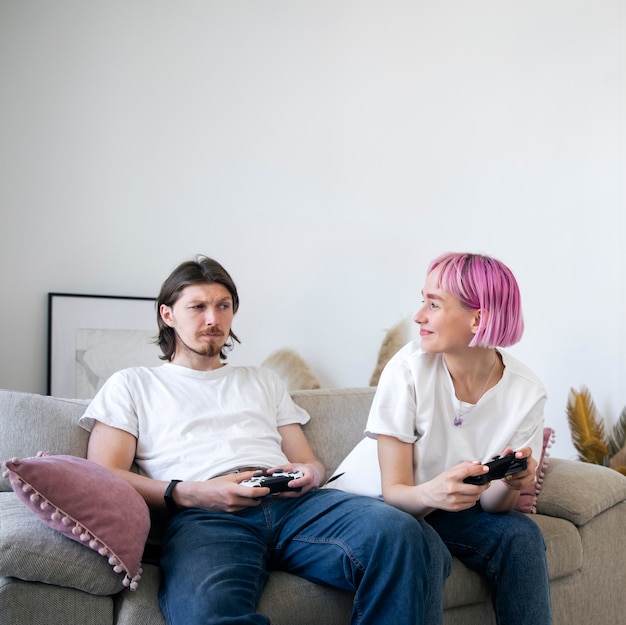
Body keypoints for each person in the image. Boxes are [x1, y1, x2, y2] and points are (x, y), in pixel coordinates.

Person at [79, 254, 450, 625]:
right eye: (198, 307)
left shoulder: (263, 380)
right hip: (206, 516)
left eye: (223, 306)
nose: (213, 319)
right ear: (167, 315)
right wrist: (190, 492)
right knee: (208, 613)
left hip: (293, 505)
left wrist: (309, 474)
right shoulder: (132, 384)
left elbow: (309, 461)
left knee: (400, 532)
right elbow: (105, 474)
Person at [327, 252, 552, 625]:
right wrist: (434, 493)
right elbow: (395, 491)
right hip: (374, 505)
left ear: (477, 318)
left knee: (520, 536)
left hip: (441, 509)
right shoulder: (407, 369)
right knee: (422, 546)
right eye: (423, 301)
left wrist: (514, 482)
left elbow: (496, 506)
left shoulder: (526, 392)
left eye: (433, 304)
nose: (418, 316)